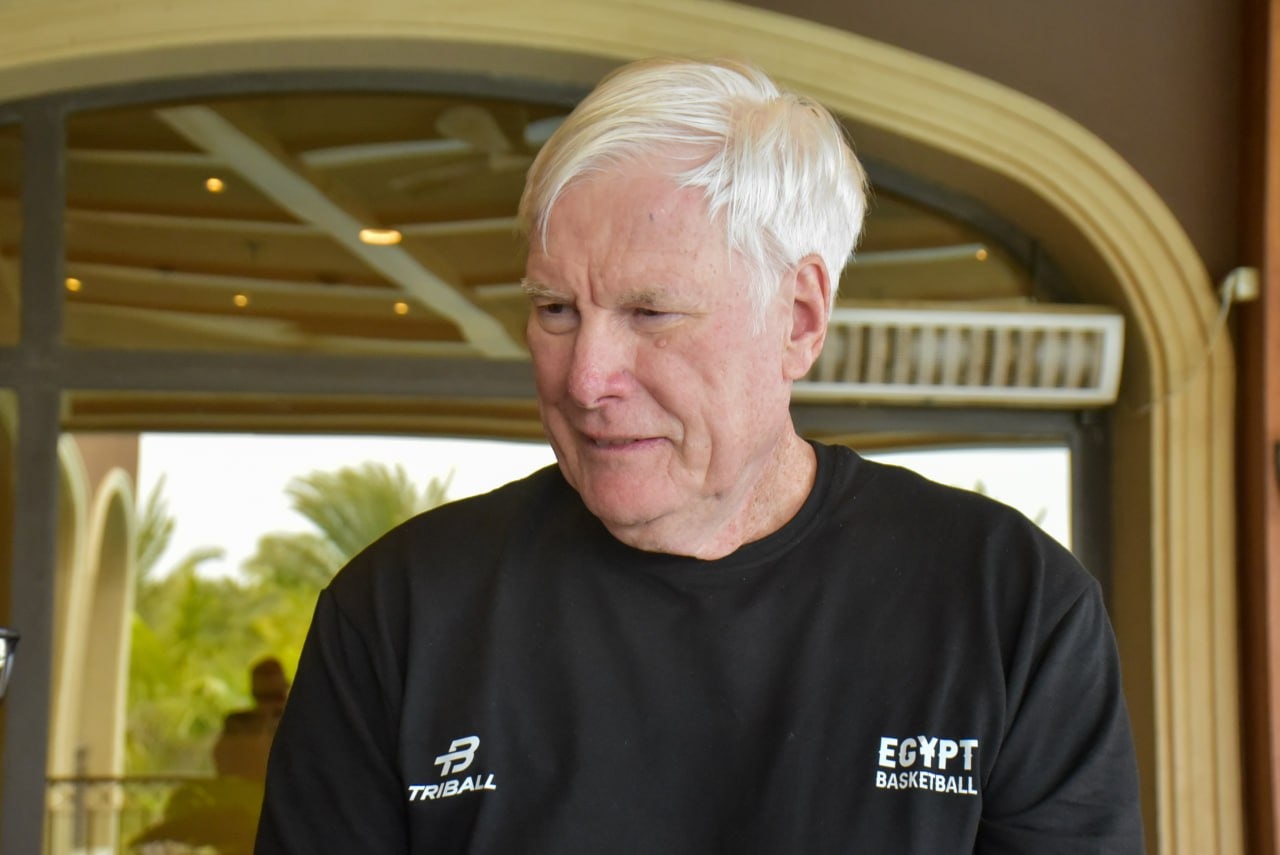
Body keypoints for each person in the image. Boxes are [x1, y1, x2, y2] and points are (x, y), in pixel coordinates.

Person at [256, 57, 1144, 853]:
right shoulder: (401, 615)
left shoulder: (1007, 606)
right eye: (556, 309)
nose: (586, 378)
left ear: (799, 318)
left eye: (651, 312)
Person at [213, 656, 289, 782]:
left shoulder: (297, 724)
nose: (270, 705)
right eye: (265, 697)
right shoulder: (237, 725)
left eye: (276, 696)